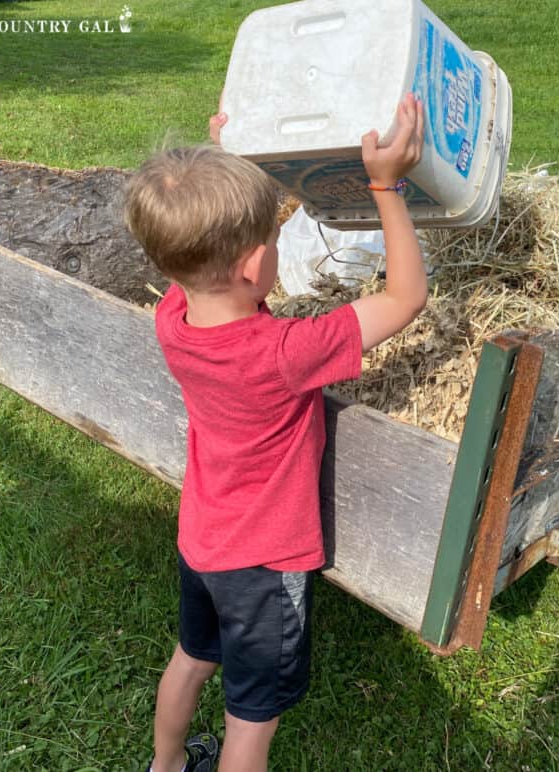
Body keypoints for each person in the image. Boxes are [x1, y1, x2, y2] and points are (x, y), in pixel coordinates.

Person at [123, 93, 426, 772]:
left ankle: (165, 767)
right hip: (262, 566)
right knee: (250, 722)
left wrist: (227, 163)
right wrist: (387, 185)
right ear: (253, 267)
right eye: (274, 241)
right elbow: (405, 298)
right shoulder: (285, 351)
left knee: (191, 660)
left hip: (202, 541)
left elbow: (200, 248)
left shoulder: (174, 319)